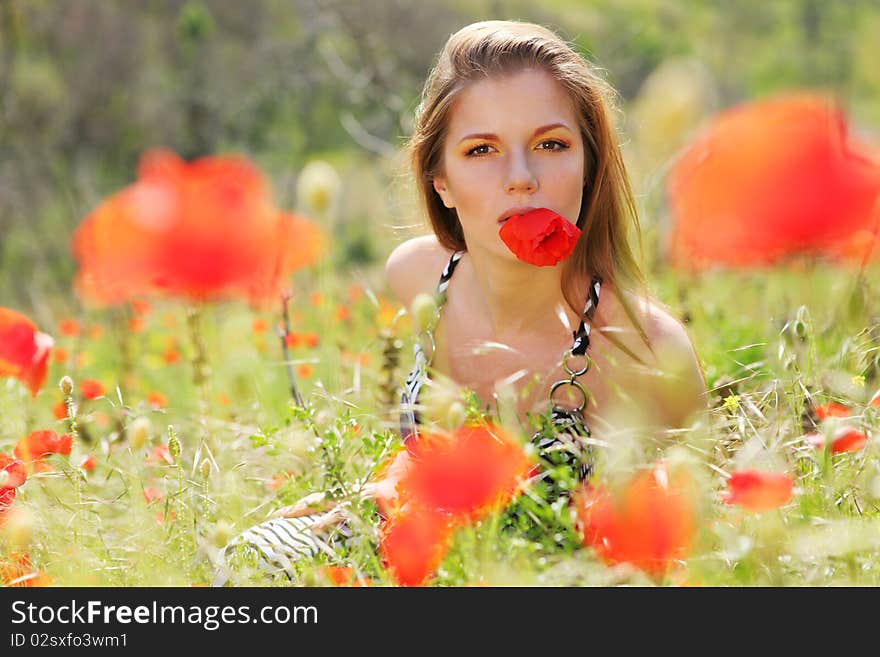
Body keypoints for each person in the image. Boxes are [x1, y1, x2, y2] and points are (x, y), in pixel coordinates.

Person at [213, 19, 707, 584]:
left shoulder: (646, 349)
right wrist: (375, 496)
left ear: (589, 165)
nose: (521, 178)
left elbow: (695, 543)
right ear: (440, 181)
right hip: (409, 555)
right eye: (481, 150)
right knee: (249, 563)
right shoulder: (421, 278)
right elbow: (431, 465)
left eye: (551, 144)